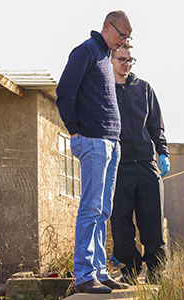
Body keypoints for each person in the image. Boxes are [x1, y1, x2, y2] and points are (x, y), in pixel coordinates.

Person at [55, 10, 132, 294]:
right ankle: (84, 274)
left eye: (128, 37)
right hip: (92, 140)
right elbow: (64, 91)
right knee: (91, 208)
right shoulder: (86, 51)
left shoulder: (104, 57)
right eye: (122, 35)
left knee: (104, 210)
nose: (124, 41)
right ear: (107, 27)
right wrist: (75, 129)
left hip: (111, 143)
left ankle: (99, 270)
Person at [109, 43, 170, 284]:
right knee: (121, 224)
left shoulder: (144, 88)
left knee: (152, 221)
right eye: (122, 59)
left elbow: (157, 124)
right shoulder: (104, 89)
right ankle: (130, 271)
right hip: (118, 166)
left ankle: (156, 272)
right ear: (111, 60)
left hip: (146, 164)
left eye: (130, 60)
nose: (126, 64)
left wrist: (162, 152)